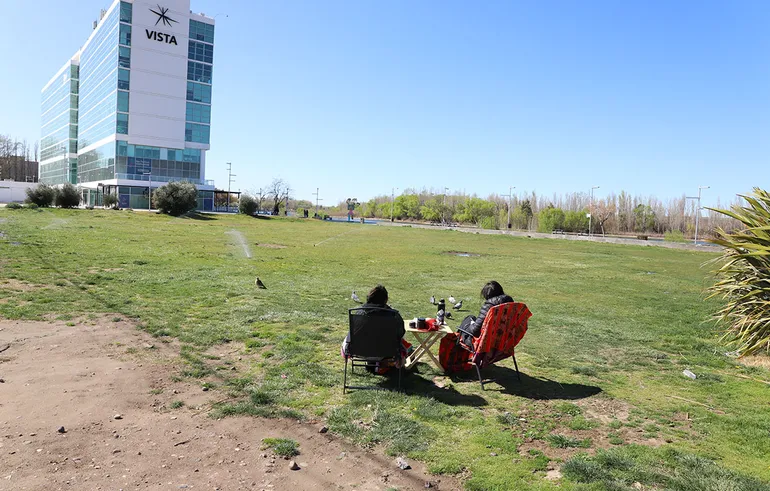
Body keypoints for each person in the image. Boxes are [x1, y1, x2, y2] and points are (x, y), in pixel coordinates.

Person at [341, 285, 410, 372]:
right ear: (386, 299)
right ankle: (385, 364)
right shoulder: (393, 315)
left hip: (360, 351)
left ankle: (373, 363)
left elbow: (353, 333)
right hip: (387, 352)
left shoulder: (360, 313)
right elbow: (400, 333)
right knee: (401, 341)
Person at [457, 281, 513, 350]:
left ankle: (455, 355)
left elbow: (475, 331)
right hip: (504, 342)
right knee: (472, 318)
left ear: (487, 295)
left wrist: (466, 328)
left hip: (486, 344)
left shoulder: (489, 306)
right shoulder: (509, 303)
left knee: (467, 321)